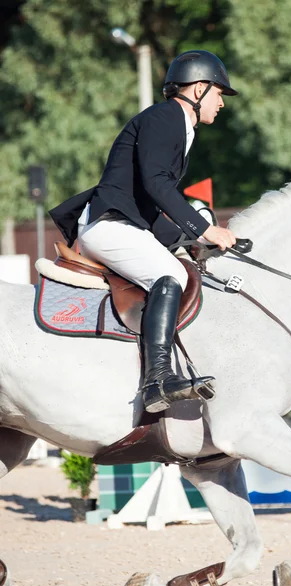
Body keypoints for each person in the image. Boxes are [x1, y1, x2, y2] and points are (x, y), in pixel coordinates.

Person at [49, 50, 238, 413]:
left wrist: (192, 239)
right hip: (109, 225)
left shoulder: (177, 124)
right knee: (169, 275)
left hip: (126, 223)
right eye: (219, 93)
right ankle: (157, 381)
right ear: (198, 89)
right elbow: (155, 184)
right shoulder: (166, 117)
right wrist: (205, 228)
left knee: (184, 267)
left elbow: (148, 201)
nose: (222, 103)